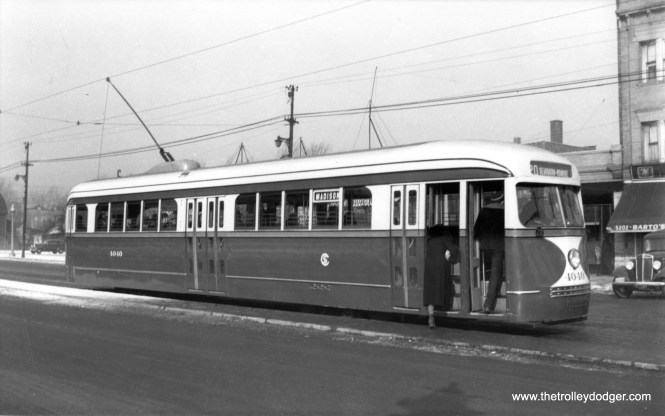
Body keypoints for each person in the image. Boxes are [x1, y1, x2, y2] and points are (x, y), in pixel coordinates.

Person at [423, 225, 460, 328]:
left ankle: (431, 317)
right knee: (443, 286)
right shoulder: (445, 239)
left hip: (429, 266)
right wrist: (451, 259)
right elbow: (454, 251)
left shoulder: (429, 240)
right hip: (441, 266)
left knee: (430, 293)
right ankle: (445, 308)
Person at [474, 195, 505, 314]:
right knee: (496, 273)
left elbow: (476, 230)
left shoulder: (484, 210)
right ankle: (488, 304)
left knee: (489, 270)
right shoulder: (504, 211)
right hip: (499, 246)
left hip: (485, 246)